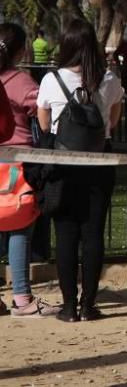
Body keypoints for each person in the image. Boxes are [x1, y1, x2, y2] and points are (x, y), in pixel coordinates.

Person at [36, 19, 125, 322]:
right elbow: (113, 121)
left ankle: (69, 306)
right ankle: (89, 304)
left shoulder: (51, 80)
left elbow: (45, 123)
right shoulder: (109, 79)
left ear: (67, 45)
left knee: (65, 233)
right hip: (99, 162)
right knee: (93, 233)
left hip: (64, 164)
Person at [0, 23, 59, 317]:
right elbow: (44, 107)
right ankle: (22, 297)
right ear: (21, 50)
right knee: (19, 227)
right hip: (15, 162)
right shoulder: (20, 81)